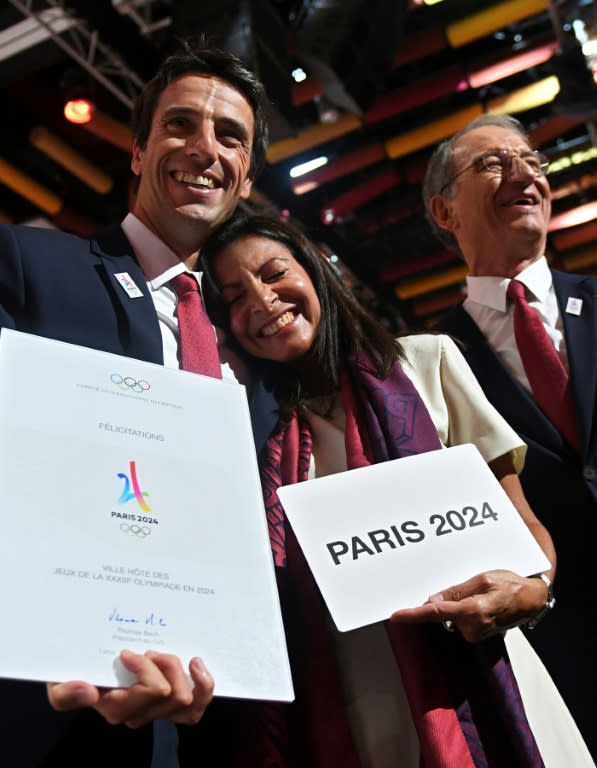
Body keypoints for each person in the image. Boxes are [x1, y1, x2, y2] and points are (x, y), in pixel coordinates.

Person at [200, 212, 594, 767]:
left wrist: (533, 592)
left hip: (489, 678)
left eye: (274, 273)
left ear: (313, 271)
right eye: (236, 296)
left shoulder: (428, 361)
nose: (263, 301)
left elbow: (521, 522)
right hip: (359, 709)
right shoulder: (257, 445)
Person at [0, 41, 278, 767]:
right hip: (44, 713)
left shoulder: (255, 346)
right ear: (137, 151)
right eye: (180, 125)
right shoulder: (29, 266)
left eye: (230, 136)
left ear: (245, 176)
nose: (203, 149)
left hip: (211, 722)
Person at [423, 113, 597, 759]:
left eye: (531, 161)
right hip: (554, 651)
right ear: (444, 212)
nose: (523, 173)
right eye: (493, 163)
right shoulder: (428, 362)